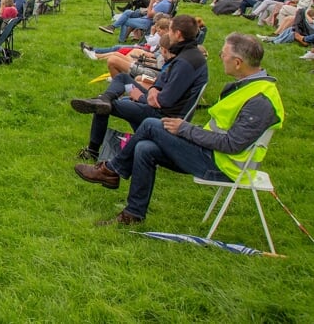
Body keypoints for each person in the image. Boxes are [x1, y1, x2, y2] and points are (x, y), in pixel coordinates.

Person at [73, 33, 284, 226]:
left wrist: (185, 129)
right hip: (211, 153)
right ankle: (133, 214)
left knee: (150, 125)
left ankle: (111, 170)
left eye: (224, 54)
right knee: (145, 148)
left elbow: (232, 144)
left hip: (223, 167)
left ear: (238, 63)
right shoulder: (247, 85)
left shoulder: (260, 99)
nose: (220, 56)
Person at [70, 14, 209, 162]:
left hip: (160, 116)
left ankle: (92, 150)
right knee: (123, 79)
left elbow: (165, 101)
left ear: (178, 34)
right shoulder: (187, 54)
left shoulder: (186, 63)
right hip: (155, 104)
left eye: (170, 30)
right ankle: (105, 98)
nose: (168, 34)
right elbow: (162, 80)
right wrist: (154, 89)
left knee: (102, 107)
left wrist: (140, 97)